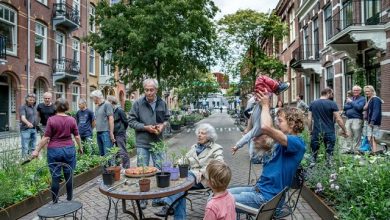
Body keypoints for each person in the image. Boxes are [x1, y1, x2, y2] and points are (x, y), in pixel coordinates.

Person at [229, 91, 305, 211]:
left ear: (291, 123)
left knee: (218, 202)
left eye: (280, 121)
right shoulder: (281, 142)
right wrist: (260, 144)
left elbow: (266, 127)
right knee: (218, 196)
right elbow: (264, 131)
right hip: (258, 190)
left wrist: (265, 105)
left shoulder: (297, 143)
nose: (277, 123)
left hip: (268, 199)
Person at [154, 123, 224, 219]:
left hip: (204, 179)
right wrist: (175, 166)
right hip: (189, 178)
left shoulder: (216, 148)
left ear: (209, 136)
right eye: (198, 133)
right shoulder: (194, 147)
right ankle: (172, 209)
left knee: (183, 181)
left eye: (202, 133)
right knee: (181, 187)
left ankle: (168, 203)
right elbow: (184, 159)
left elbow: (219, 163)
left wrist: (202, 172)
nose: (199, 135)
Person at [31, 98, 83, 203]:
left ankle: (55, 202)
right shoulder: (72, 120)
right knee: (69, 175)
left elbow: (45, 138)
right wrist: (80, 148)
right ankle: (69, 199)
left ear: (55, 107)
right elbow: (77, 136)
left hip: (54, 151)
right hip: (69, 150)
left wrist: (37, 150)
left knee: (55, 176)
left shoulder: (51, 120)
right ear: (67, 107)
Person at [231, 75, 289, 159]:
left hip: (258, 102)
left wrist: (237, 146)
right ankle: (277, 88)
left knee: (261, 79)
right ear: (265, 139)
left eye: (255, 141)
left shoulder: (257, 131)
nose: (255, 140)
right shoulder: (261, 130)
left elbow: (247, 137)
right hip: (261, 100)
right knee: (260, 79)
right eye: (257, 142)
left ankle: (276, 88)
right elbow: (248, 137)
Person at [128, 79, 170, 169]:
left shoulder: (162, 103)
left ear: (156, 90)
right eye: (146, 90)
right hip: (142, 143)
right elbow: (131, 121)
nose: (149, 93)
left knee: (160, 170)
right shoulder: (137, 104)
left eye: (151, 90)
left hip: (158, 142)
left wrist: (163, 125)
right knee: (142, 171)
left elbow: (167, 119)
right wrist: (145, 127)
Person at [308, 88, 347, 166]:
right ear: (328, 93)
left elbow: (309, 119)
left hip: (316, 132)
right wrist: (345, 130)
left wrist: (310, 130)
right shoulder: (332, 103)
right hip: (329, 132)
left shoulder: (312, 103)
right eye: (332, 94)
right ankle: (330, 172)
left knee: (313, 155)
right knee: (329, 156)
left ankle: (310, 173)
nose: (332, 96)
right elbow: (338, 119)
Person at [107, 95, 130, 168]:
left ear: (111, 102)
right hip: (113, 133)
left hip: (120, 133)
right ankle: (117, 167)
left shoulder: (119, 110)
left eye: (107, 101)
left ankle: (126, 167)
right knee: (116, 151)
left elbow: (126, 121)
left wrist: (122, 129)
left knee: (122, 150)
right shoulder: (110, 111)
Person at [90, 90, 115, 156]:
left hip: (106, 132)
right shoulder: (97, 107)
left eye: (93, 98)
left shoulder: (107, 105)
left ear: (97, 97)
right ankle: (104, 167)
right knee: (102, 154)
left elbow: (111, 119)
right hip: (98, 132)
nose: (93, 100)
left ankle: (110, 166)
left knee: (108, 154)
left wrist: (111, 133)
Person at [342, 86, 365, 153]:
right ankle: (348, 149)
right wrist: (353, 104)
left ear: (360, 91)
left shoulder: (362, 99)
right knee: (348, 134)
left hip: (357, 119)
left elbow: (359, 107)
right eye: (354, 90)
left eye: (357, 90)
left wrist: (351, 102)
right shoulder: (350, 98)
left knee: (356, 134)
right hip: (348, 119)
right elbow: (345, 107)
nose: (355, 91)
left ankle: (356, 150)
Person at [363, 85, 383, 153]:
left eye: (368, 91)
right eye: (365, 91)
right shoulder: (370, 99)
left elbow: (376, 111)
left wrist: (372, 121)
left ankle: (374, 152)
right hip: (369, 121)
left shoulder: (376, 99)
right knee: (369, 137)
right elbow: (365, 108)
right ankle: (371, 151)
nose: (366, 93)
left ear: (372, 91)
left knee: (374, 138)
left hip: (373, 122)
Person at [20, 93, 38, 158]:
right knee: (25, 147)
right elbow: (23, 117)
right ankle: (24, 161)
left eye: (33, 100)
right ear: (27, 99)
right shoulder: (23, 107)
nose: (32, 101)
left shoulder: (35, 107)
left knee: (33, 147)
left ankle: (31, 161)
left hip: (34, 129)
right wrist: (28, 123)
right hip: (26, 129)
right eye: (30, 100)